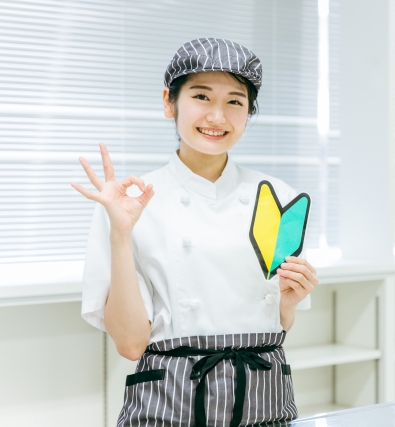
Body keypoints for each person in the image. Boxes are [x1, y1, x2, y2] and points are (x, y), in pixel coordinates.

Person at [72, 37, 318, 427]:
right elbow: (131, 343)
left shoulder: (276, 198)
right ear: (170, 102)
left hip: (262, 399)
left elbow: (280, 321)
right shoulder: (129, 205)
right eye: (202, 97)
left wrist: (289, 301)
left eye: (235, 101)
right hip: (171, 405)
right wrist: (120, 234)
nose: (217, 117)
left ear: (249, 111)